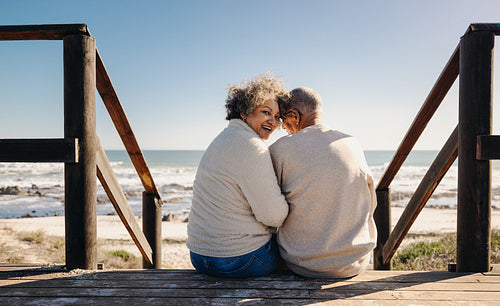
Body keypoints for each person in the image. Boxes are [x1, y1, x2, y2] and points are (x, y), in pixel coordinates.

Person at [187, 73, 290, 278]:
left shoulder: (221, 140)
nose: (273, 121)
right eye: (266, 112)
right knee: (297, 255)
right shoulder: (253, 147)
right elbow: (274, 216)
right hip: (239, 259)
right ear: (244, 111)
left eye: (277, 117)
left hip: (199, 256)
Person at [269, 87, 377, 278]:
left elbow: (269, 208)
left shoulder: (281, 149)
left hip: (303, 264)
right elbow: (372, 203)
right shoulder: (352, 142)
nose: (284, 129)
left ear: (294, 115)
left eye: (283, 122)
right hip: (355, 263)